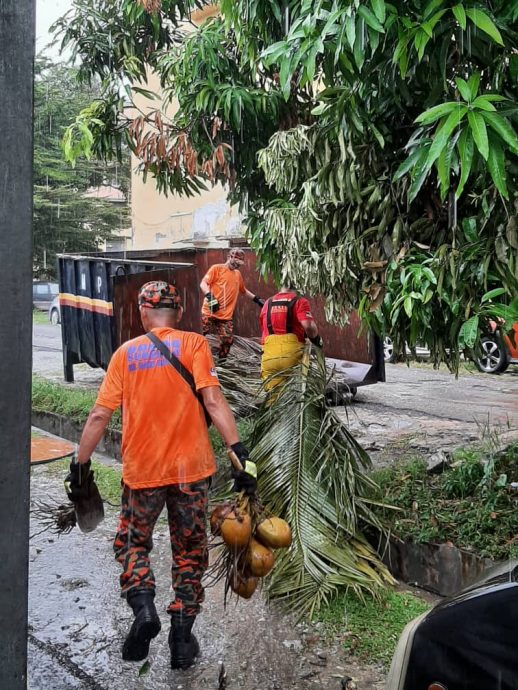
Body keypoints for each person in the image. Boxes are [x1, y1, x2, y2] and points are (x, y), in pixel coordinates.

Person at [64, 281, 257, 670]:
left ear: (141, 312)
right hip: (191, 473)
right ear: (180, 311)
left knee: (133, 545)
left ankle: (144, 609)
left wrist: (79, 465)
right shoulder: (195, 345)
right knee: (189, 553)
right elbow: (214, 400)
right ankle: (182, 641)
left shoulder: (125, 354)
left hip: (143, 474)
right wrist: (240, 455)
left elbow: (100, 415)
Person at [200, 247, 264, 361]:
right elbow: (203, 283)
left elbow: (243, 290)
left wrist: (257, 299)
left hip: (225, 316)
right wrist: (210, 297)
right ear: (230, 257)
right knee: (200, 336)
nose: (237, 265)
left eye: (239, 263)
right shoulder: (217, 268)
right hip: (209, 310)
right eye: (235, 262)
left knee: (227, 340)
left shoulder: (237, 274)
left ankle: (221, 362)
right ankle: (197, 359)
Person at [259, 286, 323, 390]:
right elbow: (308, 326)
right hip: (291, 356)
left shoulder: (267, 303)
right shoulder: (300, 301)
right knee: (294, 399)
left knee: (273, 400)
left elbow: (264, 331)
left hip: (269, 358)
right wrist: (316, 340)